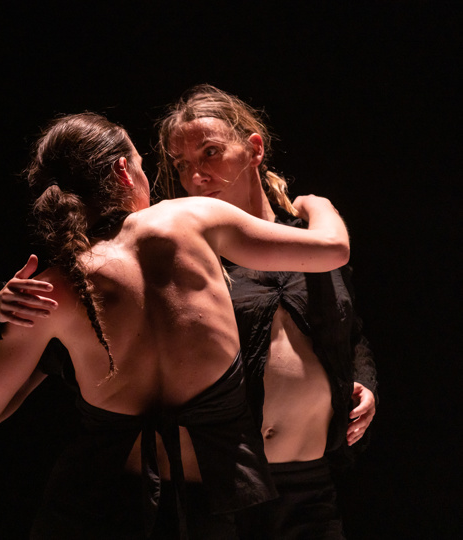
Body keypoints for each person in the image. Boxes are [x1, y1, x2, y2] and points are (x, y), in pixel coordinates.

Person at [0, 112, 350, 539]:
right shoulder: (192, 217)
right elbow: (332, 249)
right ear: (123, 171)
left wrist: (21, 337)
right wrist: (319, 205)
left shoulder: (53, 289)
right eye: (144, 165)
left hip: (94, 509)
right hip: (205, 512)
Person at [155, 85, 377, 539]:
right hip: (223, 488)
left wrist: (365, 384)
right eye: (181, 165)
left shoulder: (311, 238)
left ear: (254, 149)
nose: (196, 175)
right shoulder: (191, 255)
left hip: (310, 485)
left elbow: (351, 333)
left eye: (210, 152)